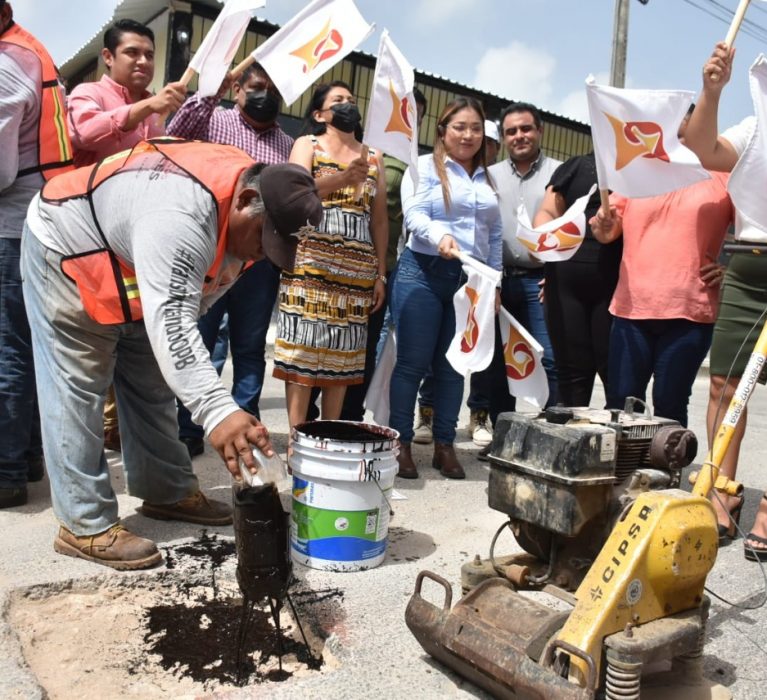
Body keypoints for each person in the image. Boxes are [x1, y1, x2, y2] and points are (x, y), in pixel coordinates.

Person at [21, 138, 322, 569]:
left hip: (132, 256)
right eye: (264, 239)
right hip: (69, 246)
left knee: (152, 380)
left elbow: (192, 305)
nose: (264, 253)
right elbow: (175, 321)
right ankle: (82, 523)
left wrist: (188, 371)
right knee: (78, 384)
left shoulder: (248, 214)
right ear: (247, 200)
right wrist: (219, 411)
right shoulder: (181, 217)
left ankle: (166, 491)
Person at [66, 18, 187, 450]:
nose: (143, 61)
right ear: (108, 57)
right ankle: (84, 444)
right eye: (132, 52)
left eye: (149, 54)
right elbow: (85, 132)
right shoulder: (88, 95)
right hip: (85, 244)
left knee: (136, 348)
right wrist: (147, 108)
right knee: (89, 352)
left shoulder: (153, 115)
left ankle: (122, 437)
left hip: (134, 247)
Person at [167, 62, 293, 457]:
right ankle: (191, 426)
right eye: (257, 86)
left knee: (250, 346)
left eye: (273, 89)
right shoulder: (216, 121)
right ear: (238, 88)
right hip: (210, 250)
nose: (265, 95)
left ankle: (248, 423)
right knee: (201, 338)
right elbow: (174, 136)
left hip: (257, 261)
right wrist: (209, 93)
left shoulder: (287, 145)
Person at [684, 42, 767, 559]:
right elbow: (702, 145)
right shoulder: (756, 129)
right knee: (723, 383)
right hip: (748, 268)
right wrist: (712, 90)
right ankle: (720, 489)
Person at [390, 96, 502, 480]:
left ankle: (444, 445)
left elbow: (495, 235)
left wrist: (495, 281)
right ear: (442, 131)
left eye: (476, 128)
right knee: (412, 364)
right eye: (460, 127)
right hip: (422, 270)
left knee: (454, 367)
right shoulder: (422, 168)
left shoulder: (488, 179)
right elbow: (415, 214)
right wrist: (439, 236)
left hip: (468, 282)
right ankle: (400, 443)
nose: (468, 135)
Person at [274, 81, 387, 430]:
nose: (347, 105)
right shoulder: (307, 144)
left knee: (343, 358)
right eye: (338, 100)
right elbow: (292, 192)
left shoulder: (374, 156)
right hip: (309, 265)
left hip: (356, 273)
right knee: (303, 353)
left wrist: (380, 274)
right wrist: (341, 179)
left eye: (351, 100)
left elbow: (379, 219)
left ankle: (329, 434)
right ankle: (297, 436)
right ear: (319, 114)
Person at [0, 0, 74, 509]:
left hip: (11, 223)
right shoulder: (30, 50)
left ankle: (5, 472)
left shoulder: (6, 64)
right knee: (21, 347)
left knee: (8, 351)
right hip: (40, 217)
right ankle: (25, 460)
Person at [469, 103, 561, 458]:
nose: (519, 136)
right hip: (498, 283)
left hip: (543, 282)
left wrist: (557, 274)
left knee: (549, 360)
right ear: (503, 137)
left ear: (539, 131)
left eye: (526, 129)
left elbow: (568, 228)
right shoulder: (487, 175)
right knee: (497, 364)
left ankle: (551, 441)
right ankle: (503, 437)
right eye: (511, 131)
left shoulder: (560, 173)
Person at [339, 87, 428, 423]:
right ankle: (311, 416)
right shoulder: (366, 150)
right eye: (406, 110)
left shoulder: (421, 164)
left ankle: (349, 416)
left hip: (384, 265)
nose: (411, 118)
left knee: (365, 348)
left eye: (417, 113)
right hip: (337, 260)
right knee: (331, 341)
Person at [533, 152, 622, 407]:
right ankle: (573, 444)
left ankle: (616, 445)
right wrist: (542, 238)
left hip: (617, 287)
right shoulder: (574, 166)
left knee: (616, 377)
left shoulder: (641, 167)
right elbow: (547, 211)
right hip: (564, 284)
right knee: (571, 376)